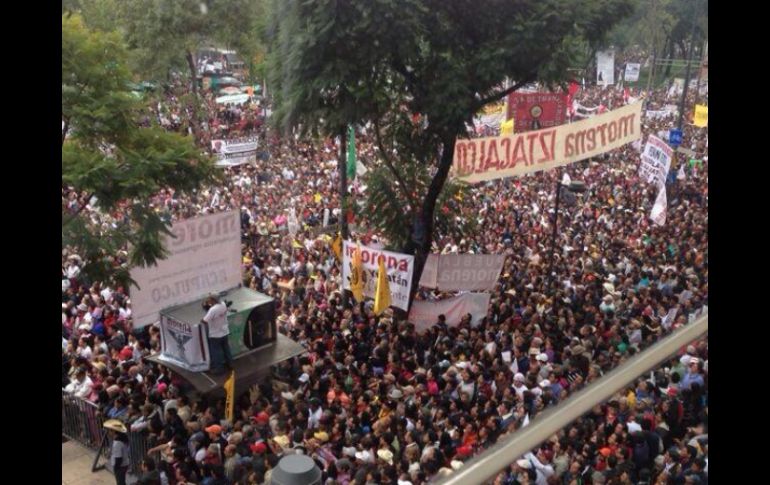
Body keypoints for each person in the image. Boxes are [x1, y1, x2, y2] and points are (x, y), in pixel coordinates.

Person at [201, 296, 232, 374]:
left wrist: (207, 310)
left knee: (216, 352)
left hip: (215, 334)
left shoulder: (213, 310)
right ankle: (230, 364)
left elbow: (204, 321)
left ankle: (219, 369)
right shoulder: (223, 304)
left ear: (213, 300)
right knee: (226, 348)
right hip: (224, 331)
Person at [104, 419, 130, 485]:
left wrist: (116, 468)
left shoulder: (117, 443)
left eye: (109, 430)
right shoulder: (121, 439)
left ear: (114, 431)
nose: (108, 432)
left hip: (120, 467)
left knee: (120, 483)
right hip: (124, 464)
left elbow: (118, 459)